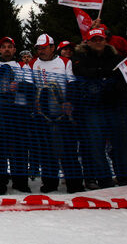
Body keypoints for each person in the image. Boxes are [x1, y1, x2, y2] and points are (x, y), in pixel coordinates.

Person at [71, 28, 127, 188]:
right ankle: (104, 179)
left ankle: (126, 177)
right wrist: (104, 76)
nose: (98, 42)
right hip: (92, 106)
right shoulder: (81, 56)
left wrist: (102, 78)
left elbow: (121, 76)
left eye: (100, 39)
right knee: (95, 145)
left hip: (114, 105)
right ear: (88, 42)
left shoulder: (116, 57)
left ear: (105, 40)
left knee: (122, 143)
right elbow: (81, 72)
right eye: (94, 40)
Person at [31, 34, 84, 193]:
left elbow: (72, 83)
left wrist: (69, 102)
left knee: (68, 149)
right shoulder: (33, 63)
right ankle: (49, 183)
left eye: (44, 48)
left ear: (52, 47)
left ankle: (74, 184)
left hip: (63, 113)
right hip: (43, 113)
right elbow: (30, 85)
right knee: (47, 150)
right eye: (39, 48)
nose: (41, 51)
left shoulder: (65, 62)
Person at [0, 36, 34, 195]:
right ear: (0, 50)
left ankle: (20, 182)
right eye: (4, 47)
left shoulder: (23, 66)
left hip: (18, 112)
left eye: (10, 46)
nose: (7, 49)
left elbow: (32, 88)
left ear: (14, 49)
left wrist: (19, 86)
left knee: (20, 148)